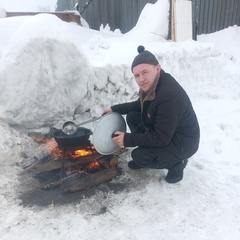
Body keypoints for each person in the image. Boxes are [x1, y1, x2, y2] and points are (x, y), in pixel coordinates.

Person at [103, 46, 200, 183]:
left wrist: (127, 139)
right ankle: (150, 152)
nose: (141, 79)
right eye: (137, 75)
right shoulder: (154, 84)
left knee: (139, 156)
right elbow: (139, 105)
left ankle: (177, 164)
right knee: (132, 115)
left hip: (182, 142)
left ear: (158, 68)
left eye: (145, 72)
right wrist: (114, 109)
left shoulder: (169, 96)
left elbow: (161, 139)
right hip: (168, 133)